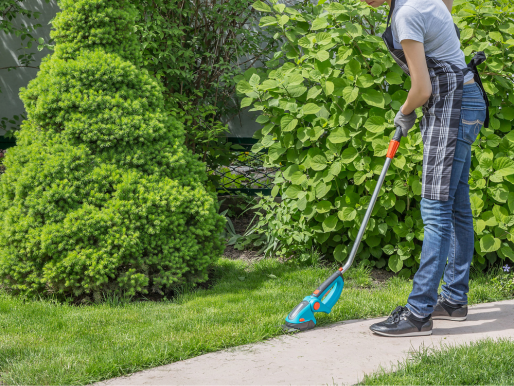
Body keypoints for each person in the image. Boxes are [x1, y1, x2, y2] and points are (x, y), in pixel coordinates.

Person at [361, 0, 490, 336]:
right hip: (468, 99)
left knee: (435, 211)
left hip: (451, 106)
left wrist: (405, 112)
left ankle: (418, 313)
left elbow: (422, 89)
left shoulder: (406, 15)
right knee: (458, 206)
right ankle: (454, 301)